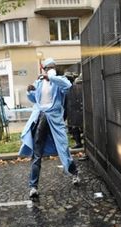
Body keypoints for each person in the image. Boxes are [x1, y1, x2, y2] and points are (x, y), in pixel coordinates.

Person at [19, 57, 80, 198]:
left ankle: (75, 173)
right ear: (44, 69)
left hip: (55, 120)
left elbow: (68, 86)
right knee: (37, 153)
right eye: (48, 67)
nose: (51, 69)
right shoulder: (39, 82)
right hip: (41, 118)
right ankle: (33, 187)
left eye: (53, 67)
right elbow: (35, 99)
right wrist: (30, 92)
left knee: (63, 149)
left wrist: (51, 77)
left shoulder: (58, 81)